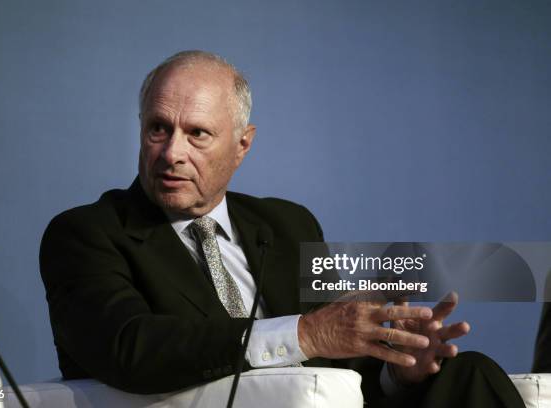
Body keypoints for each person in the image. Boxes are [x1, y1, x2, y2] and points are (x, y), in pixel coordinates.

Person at [40, 50, 525, 407]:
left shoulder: (286, 223)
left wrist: (400, 373)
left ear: (242, 145)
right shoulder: (86, 233)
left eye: (198, 134)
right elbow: (131, 348)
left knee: (468, 377)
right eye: (158, 129)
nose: (172, 153)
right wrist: (303, 333)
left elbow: (340, 364)